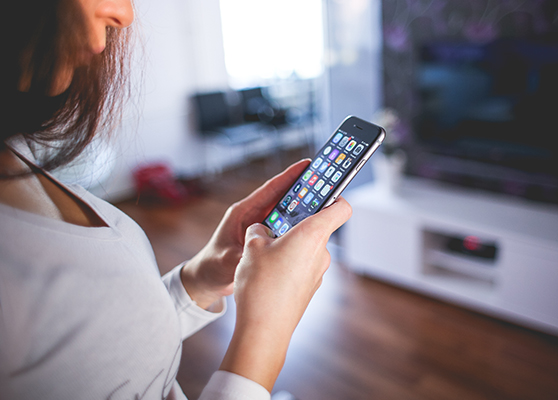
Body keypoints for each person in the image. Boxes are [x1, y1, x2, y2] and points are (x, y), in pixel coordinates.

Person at [0, 1, 352, 399]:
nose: (124, 13)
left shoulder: (16, 157)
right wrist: (267, 329)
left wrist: (202, 277)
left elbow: (105, 346)